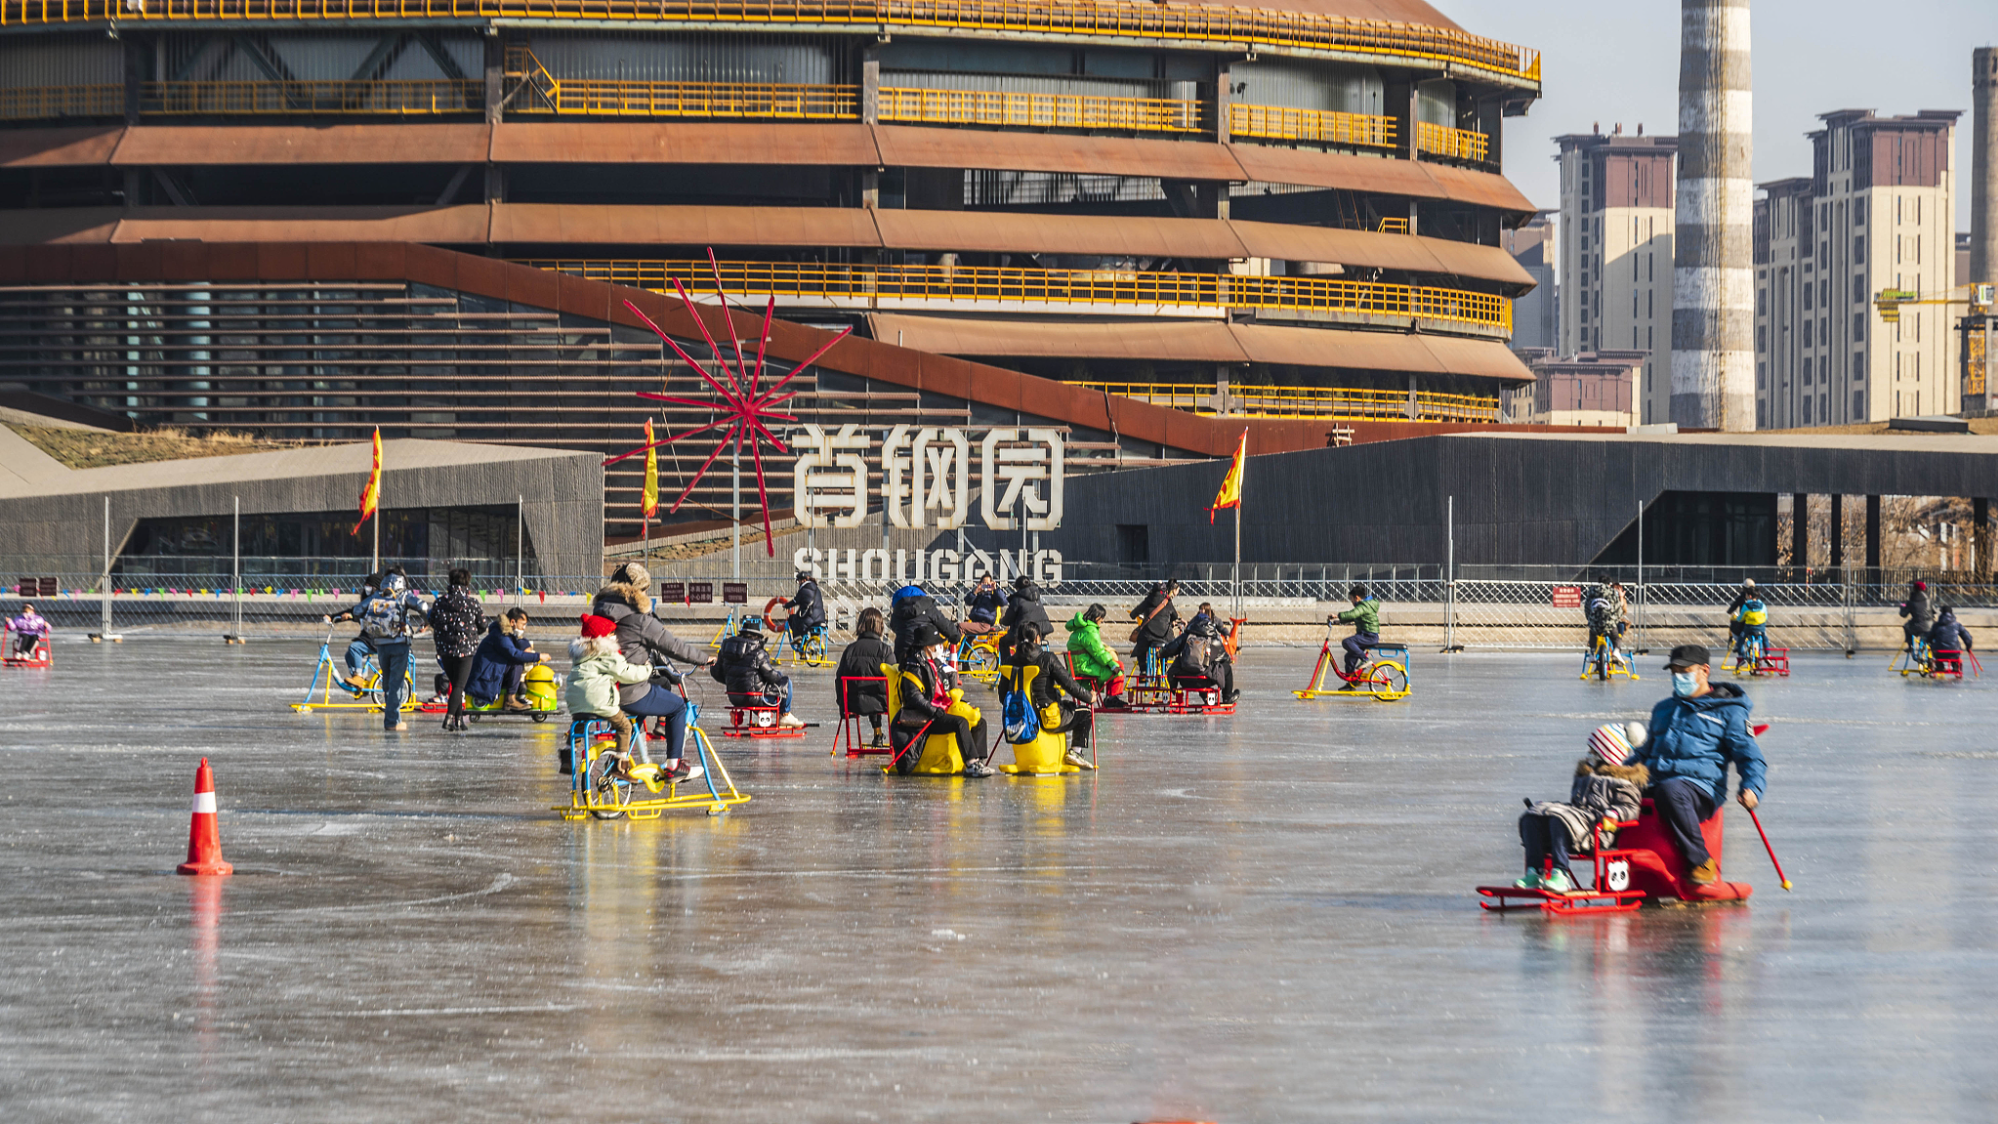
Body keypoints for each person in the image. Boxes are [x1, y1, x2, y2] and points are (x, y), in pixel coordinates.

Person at [1632, 645, 1768, 885]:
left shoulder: (1729, 712)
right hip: (1658, 781)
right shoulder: (1664, 709)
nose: (1678, 678)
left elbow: (1749, 756)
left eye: (1685, 671)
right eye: (1674, 672)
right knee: (1606, 788)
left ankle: (1702, 862)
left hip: (1701, 789)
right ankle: (1608, 861)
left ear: (1704, 671)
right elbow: (1644, 753)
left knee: (1671, 790)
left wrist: (1753, 788)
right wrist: (1615, 773)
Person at [591, 561, 714, 783]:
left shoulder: (601, 609)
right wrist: (704, 658)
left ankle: (620, 758)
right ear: (637, 589)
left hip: (601, 689)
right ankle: (674, 767)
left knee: (654, 693)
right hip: (628, 689)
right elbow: (673, 646)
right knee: (676, 708)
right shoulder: (640, 618)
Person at [1515, 722, 1651, 894]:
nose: (1589, 755)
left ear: (1607, 753)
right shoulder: (1585, 775)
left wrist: (1614, 813)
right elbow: (1575, 807)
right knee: (1533, 816)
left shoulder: (1624, 782)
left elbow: (1630, 807)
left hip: (1597, 832)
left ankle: (1560, 874)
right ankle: (1534, 872)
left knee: (1560, 818)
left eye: (1593, 751)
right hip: (1578, 826)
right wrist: (1546, 808)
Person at [332, 568, 428, 733]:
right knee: (396, 683)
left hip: (381, 644)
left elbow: (356, 611)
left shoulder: (376, 596)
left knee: (387, 681)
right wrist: (426, 624)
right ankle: (392, 721)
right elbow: (424, 607)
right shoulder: (404, 595)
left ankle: (391, 719)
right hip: (399, 643)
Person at [891, 623, 993, 777]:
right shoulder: (915, 666)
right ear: (927, 646)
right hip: (927, 716)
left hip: (942, 708)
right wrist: (933, 710)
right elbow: (913, 697)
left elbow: (944, 687)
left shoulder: (934, 663)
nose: (941, 646)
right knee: (960, 722)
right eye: (937, 643)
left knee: (980, 722)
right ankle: (972, 763)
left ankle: (978, 761)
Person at [1001, 622, 1097, 771]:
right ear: (1038, 639)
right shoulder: (1047, 658)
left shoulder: (1009, 662)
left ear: (1018, 639)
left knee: (1067, 705)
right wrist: (1089, 697)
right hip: (1048, 718)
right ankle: (1076, 752)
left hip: (1020, 719)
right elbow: (1069, 684)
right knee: (1084, 713)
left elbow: (1003, 696)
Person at [565, 613, 653, 770]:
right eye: (612, 633)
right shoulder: (607, 652)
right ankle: (620, 764)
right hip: (599, 701)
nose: (615, 637)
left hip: (575, 701)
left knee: (579, 723)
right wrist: (647, 668)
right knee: (624, 727)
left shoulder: (580, 654)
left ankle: (568, 753)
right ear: (602, 636)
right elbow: (626, 673)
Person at [426, 568, 486, 731]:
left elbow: (432, 621)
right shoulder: (472, 603)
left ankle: (459, 720)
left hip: (445, 648)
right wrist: (471, 632)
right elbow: (483, 625)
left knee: (455, 684)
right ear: (467, 582)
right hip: (466, 649)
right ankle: (449, 717)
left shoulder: (439, 602)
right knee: (460, 685)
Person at [717, 617, 804, 727]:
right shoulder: (758, 652)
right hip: (753, 697)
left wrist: (733, 680)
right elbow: (771, 676)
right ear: (757, 637)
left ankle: (767, 715)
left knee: (758, 684)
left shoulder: (725, 650)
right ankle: (785, 715)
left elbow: (717, 673)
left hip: (734, 697)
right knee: (786, 682)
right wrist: (779, 676)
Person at [835, 606, 895, 747]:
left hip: (852, 703)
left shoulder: (850, 650)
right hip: (883, 703)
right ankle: (880, 734)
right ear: (880, 627)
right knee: (876, 689)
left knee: (869, 691)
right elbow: (894, 678)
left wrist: (842, 704)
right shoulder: (885, 650)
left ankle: (878, 733)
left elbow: (839, 679)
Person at [467, 608, 548, 711]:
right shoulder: (501, 636)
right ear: (512, 622)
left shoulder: (504, 633)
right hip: (485, 675)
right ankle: (510, 700)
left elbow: (516, 646)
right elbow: (514, 654)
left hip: (490, 670)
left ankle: (515, 695)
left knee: (516, 662)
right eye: (522, 624)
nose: (524, 628)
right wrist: (538, 656)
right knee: (517, 663)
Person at [322, 570, 383, 693]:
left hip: (378, 640)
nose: (366, 588)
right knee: (349, 655)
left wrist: (352, 616)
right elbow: (353, 611)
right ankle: (358, 680)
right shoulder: (368, 602)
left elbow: (365, 615)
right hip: (369, 639)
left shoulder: (380, 602)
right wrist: (332, 617)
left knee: (355, 648)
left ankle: (358, 678)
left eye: (369, 586)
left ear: (376, 587)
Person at [1158, 613, 1237, 703]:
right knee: (1226, 668)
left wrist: (1159, 654)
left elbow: (1169, 649)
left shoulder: (1185, 637)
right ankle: (1227, 697)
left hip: (1184, 680)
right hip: (1204, 680)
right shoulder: (1213, 640)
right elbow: (1225, 659)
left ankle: (1205, 695)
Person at [1064, 603, 1132, 709]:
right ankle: (1111, 698)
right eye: (1101, 620)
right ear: (1097, 618)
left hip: (1077, 666)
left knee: (1114, 665)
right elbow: (1099, 653)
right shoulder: (1090, 631)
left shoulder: (1079, 628)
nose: (1101, 622)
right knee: (1119, 667)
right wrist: (1112, 665)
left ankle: (1110, 698)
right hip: (1085, 668)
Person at [888, 584, 961, 664]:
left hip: (902, 650)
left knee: (901, 672)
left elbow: (893, 626)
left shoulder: (898, 610)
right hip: (926, 651)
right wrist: (955, 637)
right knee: (935, 671)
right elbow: (945, 625)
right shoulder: (928, 607)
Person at [1330, 585, 1381, 690]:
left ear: (1356, 597)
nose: (1351, 601)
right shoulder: (1366, 605)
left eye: (1351, 599)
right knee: (1349, 658)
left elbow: (1353, 614)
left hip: (1369, 636)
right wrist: (1338, 622)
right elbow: (1356, 617)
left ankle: (1365, 659)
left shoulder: (1363, 606)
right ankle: (1351, 684)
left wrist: (1338, 615)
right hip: (1364, 635)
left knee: (1347, 642)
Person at [1128, 578, 1180, 672]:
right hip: (1164, 635)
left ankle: (1143, 669)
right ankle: (1165, 665)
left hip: (1148, 635)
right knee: (1168, 646)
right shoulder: (1167, 601)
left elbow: (1134, 613)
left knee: (1141, 645)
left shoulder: (1148, 600)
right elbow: (1175, 616)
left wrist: (1133, 614)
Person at [999, 575, 1054, 661]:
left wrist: (1001, 621)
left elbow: (1008, 619)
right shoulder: (1036, 597)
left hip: (1023, 633)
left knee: (1003, 642)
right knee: (1034, 644)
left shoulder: (1017, 599)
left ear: (1017, 588)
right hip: (1041, 631)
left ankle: (1007, 665)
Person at [1584, 583, 1629, 660]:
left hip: (1616, 621)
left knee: (1621, 626)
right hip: (1606, 621)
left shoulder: (1621, 599)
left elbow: (1623, 611)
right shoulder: (1608, 597)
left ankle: (1617, 645)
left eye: (1618, 590)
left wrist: (1621, 598)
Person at [784, 570, 826, 648]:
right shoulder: (817, 589)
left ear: (803, 580)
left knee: (793, 618)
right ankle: (811, 646)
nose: (799, 583)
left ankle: (798, 639)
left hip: (809, 619)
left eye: (799, 581)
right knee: (805, 623)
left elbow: (795, 601)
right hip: (821, 618)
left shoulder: (804, 589)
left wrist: (786, 605)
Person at [1900, 580, 1935, 651]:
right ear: (1924, 589)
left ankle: (1911, 646)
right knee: (1932, 632)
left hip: (1916, 625)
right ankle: (1932, 647)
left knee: (1906, 626)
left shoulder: (1911, 602)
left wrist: (1902, 607)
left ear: (1914, 589)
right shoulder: (1929, 600)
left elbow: (1903, 614)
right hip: (1930, 625)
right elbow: (1935, 611)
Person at [1724, 578, 1759, 650]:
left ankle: (1737, 643)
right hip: (1757, 623)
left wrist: (1730, 612)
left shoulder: (1742, 599)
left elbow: (1734, 606)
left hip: (1745, 623)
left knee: (1734, 626)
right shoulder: (1758, 600)